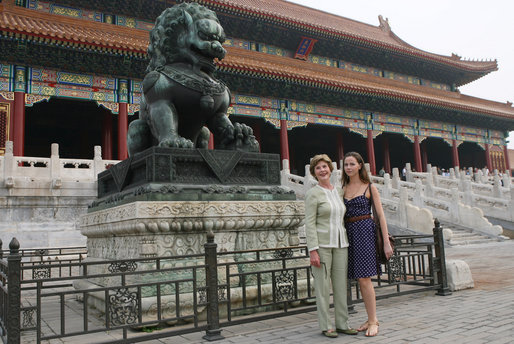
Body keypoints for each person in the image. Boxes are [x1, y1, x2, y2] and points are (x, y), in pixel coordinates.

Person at [304, 154, 357, 338]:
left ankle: (343, 323)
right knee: (323, 287)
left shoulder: (339, 192)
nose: (322, 170)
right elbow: (309, 223)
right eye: (318, 168)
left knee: (341, 286)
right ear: (314, 173)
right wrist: (313, 250)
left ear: (330, 168)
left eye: (324, 166)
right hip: (322, 245)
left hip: (341, 243)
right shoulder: (313, 194)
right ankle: (326, 325)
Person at [341, 152, 393, 337]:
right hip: (348, 234)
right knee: (357, 279)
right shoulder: (343, 188)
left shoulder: (369, 187)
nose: (348, 167)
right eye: (346, 164)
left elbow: (380, 215)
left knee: (365, 279)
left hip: (365, 233)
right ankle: (369, 318)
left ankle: (373, 320)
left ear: (360, 166)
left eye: (352, 164)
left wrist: (386, 242)